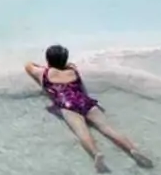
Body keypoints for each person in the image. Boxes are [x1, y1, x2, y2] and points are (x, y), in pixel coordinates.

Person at [25, 45, 153, 172]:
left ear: (48, 59)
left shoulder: (43, 73)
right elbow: (71, 64)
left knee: (82, 132)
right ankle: (132, 149)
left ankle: (96, 153)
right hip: (85, 101)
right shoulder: (72, 70)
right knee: (108, 128)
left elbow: (28, 65)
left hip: (67, 104)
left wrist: (46, 66)